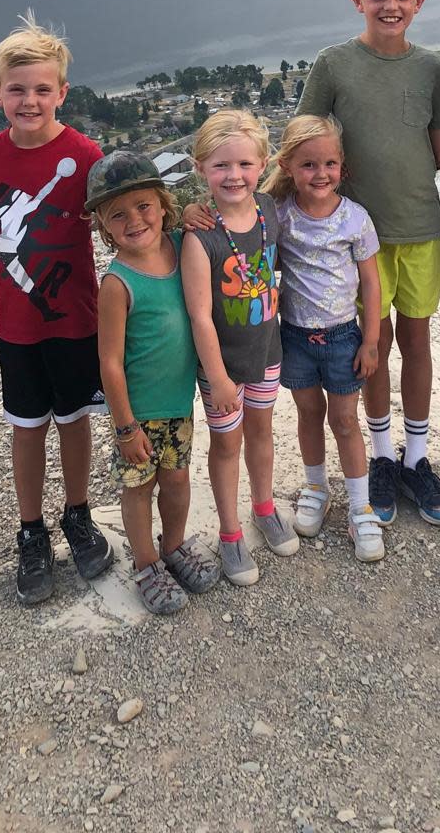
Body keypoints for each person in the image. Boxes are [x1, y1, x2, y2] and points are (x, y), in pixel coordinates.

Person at [296, 0, 440, 527]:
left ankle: (417, 458)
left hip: (418, 229)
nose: (390, 5)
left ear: (419, 0)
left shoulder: (431, 69)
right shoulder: (333, 66)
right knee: (374, 345)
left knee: (416, 343)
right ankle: (384, 456)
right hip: (354, 240)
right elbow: (299, 146)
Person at [0, 16, 114, 604]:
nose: (30, 100)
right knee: (27, 429)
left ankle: (77, 512)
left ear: (62, 93)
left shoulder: (84, 153)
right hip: (17, 327)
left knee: (74, 421)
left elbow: (120, 222)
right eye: (17, 89)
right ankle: (31, 530)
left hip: (76, 320)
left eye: (42, 89)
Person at [89, 150, 220, 616]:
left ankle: (175, 546)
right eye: (117, 215)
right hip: (137, 416)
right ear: (104, 229)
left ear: (163, 205)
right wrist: (124, 427)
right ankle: (146, 564)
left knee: (179, 480)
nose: (134, 220)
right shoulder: (117, 283)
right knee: (138, 490)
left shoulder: (185, 244)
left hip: (179, 406)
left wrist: (188, 212)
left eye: (144, 206)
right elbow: (109, 363)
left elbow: (213, 215)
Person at [181, 110, 299, 587]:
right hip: (223, 368)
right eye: (221, 166)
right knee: (227, 445)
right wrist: (219, 376)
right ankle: (230, 532)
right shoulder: (198, 236)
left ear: (263, 163)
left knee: (263, 434)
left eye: (245, 165)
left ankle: (265, 507)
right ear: (200, 168)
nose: (234, 176)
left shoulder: (269, 208)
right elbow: (200, 317)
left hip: (267, 353)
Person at [264, 116, 385, 564]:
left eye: (330, 163)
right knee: (308, 415)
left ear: (342, 166)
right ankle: (316, 488)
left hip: (342, 338)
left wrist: (370, 341)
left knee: (346, 422)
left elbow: (371, 284)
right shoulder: (279, 216)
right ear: (289, 166)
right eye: (309, 164)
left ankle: (361, 505)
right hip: (294, 337)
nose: (321, 173)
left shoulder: (355, 219)